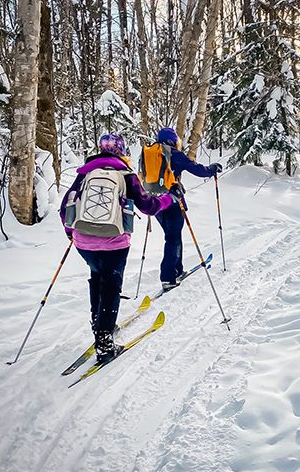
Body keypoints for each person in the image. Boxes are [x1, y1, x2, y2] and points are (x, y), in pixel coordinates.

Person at [60, 133, 175, 362]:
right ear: (122, 150)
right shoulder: (126, 174)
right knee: (111, 285)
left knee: (96, 278)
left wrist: (72, 234)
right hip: (114, 242)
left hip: (84, 241)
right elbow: (148, 206)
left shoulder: (86, 173)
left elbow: (65, 207)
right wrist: (168, 199)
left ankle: (99, 327)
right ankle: (104, 342)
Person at [139, 127, 221, 291]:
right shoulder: (175, 155)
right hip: (173, 201)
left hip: (155, 202)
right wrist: (212, 169)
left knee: (172, 236)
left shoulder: (149, 154)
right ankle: (168, 277)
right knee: (173, 238)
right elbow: (197, 170)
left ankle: (177, 270)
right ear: (173, 140)